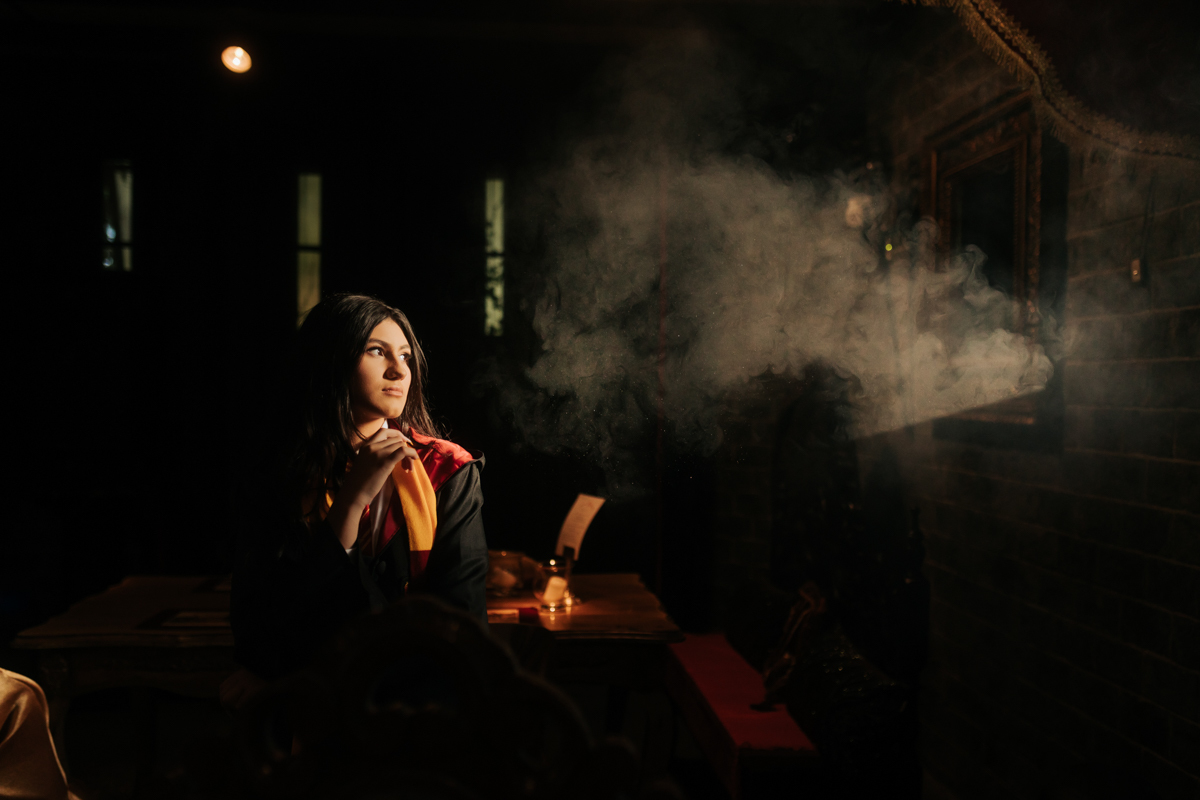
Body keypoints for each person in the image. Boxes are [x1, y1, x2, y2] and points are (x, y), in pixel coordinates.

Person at [223, 294, 487, 708]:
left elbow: (461, 625)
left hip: (418, 709)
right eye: (377, 351)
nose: (399, 370)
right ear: (332, 361)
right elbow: (258, 628)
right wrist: (353, 498)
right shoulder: (280, 474)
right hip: (313, 711)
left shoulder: (446, 469)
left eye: (405, 356)